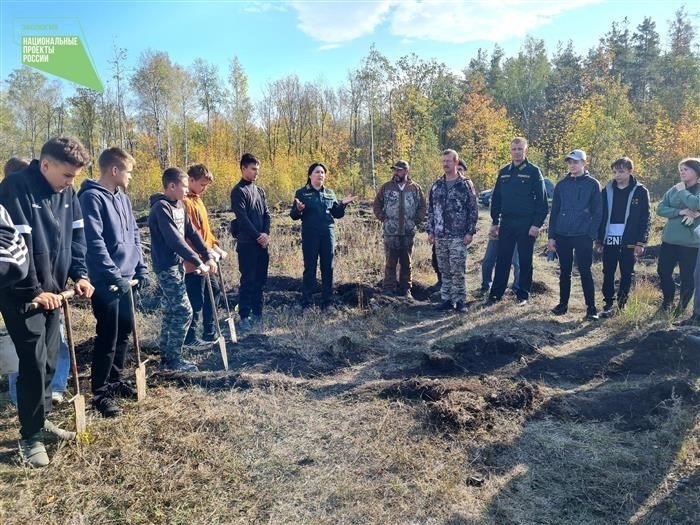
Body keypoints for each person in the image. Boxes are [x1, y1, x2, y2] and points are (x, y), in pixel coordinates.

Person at [0, 137, 95, 468]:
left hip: (54, 293)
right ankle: (30, 437)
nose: (72, 183)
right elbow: (12, 245)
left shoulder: (67, 193)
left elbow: (77, 237)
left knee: (51, 360)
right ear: (46, 165)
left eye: (75, 176)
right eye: (68, 175)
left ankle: (43, 421)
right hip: (20, 295)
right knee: (33, 362)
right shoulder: (15, 188)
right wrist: (34, 290)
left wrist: (80, 276)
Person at [78, 147, 150, 417]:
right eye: (128, 171)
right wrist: (113, 276)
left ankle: (116, 380)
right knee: (107, 334)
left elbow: (134, 234)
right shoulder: (90, 198)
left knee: (124, 330)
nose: (130, 176)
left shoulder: (123, 198)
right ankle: (100, 392)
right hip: (106, 281)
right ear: (114, 170)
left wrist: (140, 268)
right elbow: (94, 243)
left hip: (126, 279)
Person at [149, 167, 217, 372]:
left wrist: (208, 254)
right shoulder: (161, 208)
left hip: (177, 265)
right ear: (172, 186)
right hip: (166, 266)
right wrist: (198, 262)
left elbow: (192, 232)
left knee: (171, 310)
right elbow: (175, 240)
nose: (187, 190)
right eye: (184, 186)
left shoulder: (179, 205)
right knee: (183, 310)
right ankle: (174, 360)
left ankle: (166, 356)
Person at [486, 137, 548, 307]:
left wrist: (536, 224)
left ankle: (523, 294)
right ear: (510, 150)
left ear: (526, 150)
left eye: (520, 149)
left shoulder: (533, 171)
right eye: (514, 149)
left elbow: (542, 202)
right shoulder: (504, 171)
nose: (517, 152)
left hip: (526, 224)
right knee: (503, 259)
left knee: (524, 260)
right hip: (506, 222)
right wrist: (495, 221)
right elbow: (497, 198)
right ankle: (495, 295)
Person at [291, 162, 357, 308]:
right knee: (310, 267)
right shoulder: (301, 193)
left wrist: (343, 204)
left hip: (328, 234)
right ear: (310, 175)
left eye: (322, 173)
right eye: (317, 172)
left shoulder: (330, 193)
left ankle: (327, 301)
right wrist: (299, 209)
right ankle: (307, 302)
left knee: (328, 267)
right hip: (310, 235)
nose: (320, 175)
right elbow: (293, 215)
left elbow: (337, 214)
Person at [547, 149, 602, 320]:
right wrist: (551, 236)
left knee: (585, 270)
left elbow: (598, 212)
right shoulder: (562, 184)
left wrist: (591, 234)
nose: (572, 165)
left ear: (584, 163)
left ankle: (591, 308)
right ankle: (563, 304)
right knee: (564, 271)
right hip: (562, 234)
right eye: (570, 162)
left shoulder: (593, 184)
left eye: (576, 162)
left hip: (582, 235)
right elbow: (554, 211)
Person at [595, 157, 650, 318]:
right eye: (614, 172)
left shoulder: (640, 191)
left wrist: (641, 241)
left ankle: (622, 304)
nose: (617, 175)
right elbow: (601, 215)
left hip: (630, 239)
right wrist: (599, 239)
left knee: (627, 272)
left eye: (621, 171)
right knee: (608, 271)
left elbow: (645, 218)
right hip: (609, 238)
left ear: (630, 171)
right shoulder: (607, 190)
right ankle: (607, 304)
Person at [426, 149, 478, 313]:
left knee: (457, 270)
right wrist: (431, 231)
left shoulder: (465, 184)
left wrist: (470, 232)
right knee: (445, 270)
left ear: (456, 162)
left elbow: (473, 210)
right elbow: (431, 210)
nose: (445, 164)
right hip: (441, 235)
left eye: (448, 161)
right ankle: (447, 299)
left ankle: (460, 301)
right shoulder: (437, 185)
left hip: (458, 235)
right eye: (443, 161)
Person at [183, 164, 227, 346]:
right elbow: (191, 234)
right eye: (202, 184)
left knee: (214, 291)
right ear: (190, 180)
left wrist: (215, 247)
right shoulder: (185, 202)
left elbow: (205, 231)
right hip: (194, 260)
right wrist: (204, 255)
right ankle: (190, 337)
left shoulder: (198, 199)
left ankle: (210, 331)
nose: (204, 188)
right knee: (196, 298)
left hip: (206, 256)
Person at [373, 160, 426, 299]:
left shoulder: (415, 188)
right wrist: (383, 217)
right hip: (391, 231)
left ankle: (405, 289)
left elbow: (422, 206)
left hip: (408, 232)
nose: (396, 172)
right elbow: (377, 203)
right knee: (390, 261)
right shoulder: (386, 187)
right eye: (395, 170)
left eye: (399, 170)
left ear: (406, 171)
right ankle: (388, 289)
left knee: (406, 262)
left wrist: (416, 220)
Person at [231, 153, 271, 332]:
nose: (257, 173)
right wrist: (257, 236)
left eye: (258, 169)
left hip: (262, 244)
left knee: (260, 281)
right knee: (248, 280)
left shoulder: (260, 191)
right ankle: (244, 316)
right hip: (247, 244)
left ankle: (258, 312)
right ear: (243, 168)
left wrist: (266, 235)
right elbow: (242, 219)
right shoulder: (238, 191)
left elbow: (267, 215)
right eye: (253, 169)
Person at [656, 158, 700, 314]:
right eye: (680, 169)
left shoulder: (685, 189)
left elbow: (696, 204)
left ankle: (681, 308)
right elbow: (660, 209)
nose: (682, 172)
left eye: (686, 169)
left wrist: (682, 191)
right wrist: (679, 212)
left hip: (691, 243)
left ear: (696, 171)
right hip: (670, 240)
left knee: (687, 277)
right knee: (663, 271)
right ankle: (667, 301)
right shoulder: (674, 189)